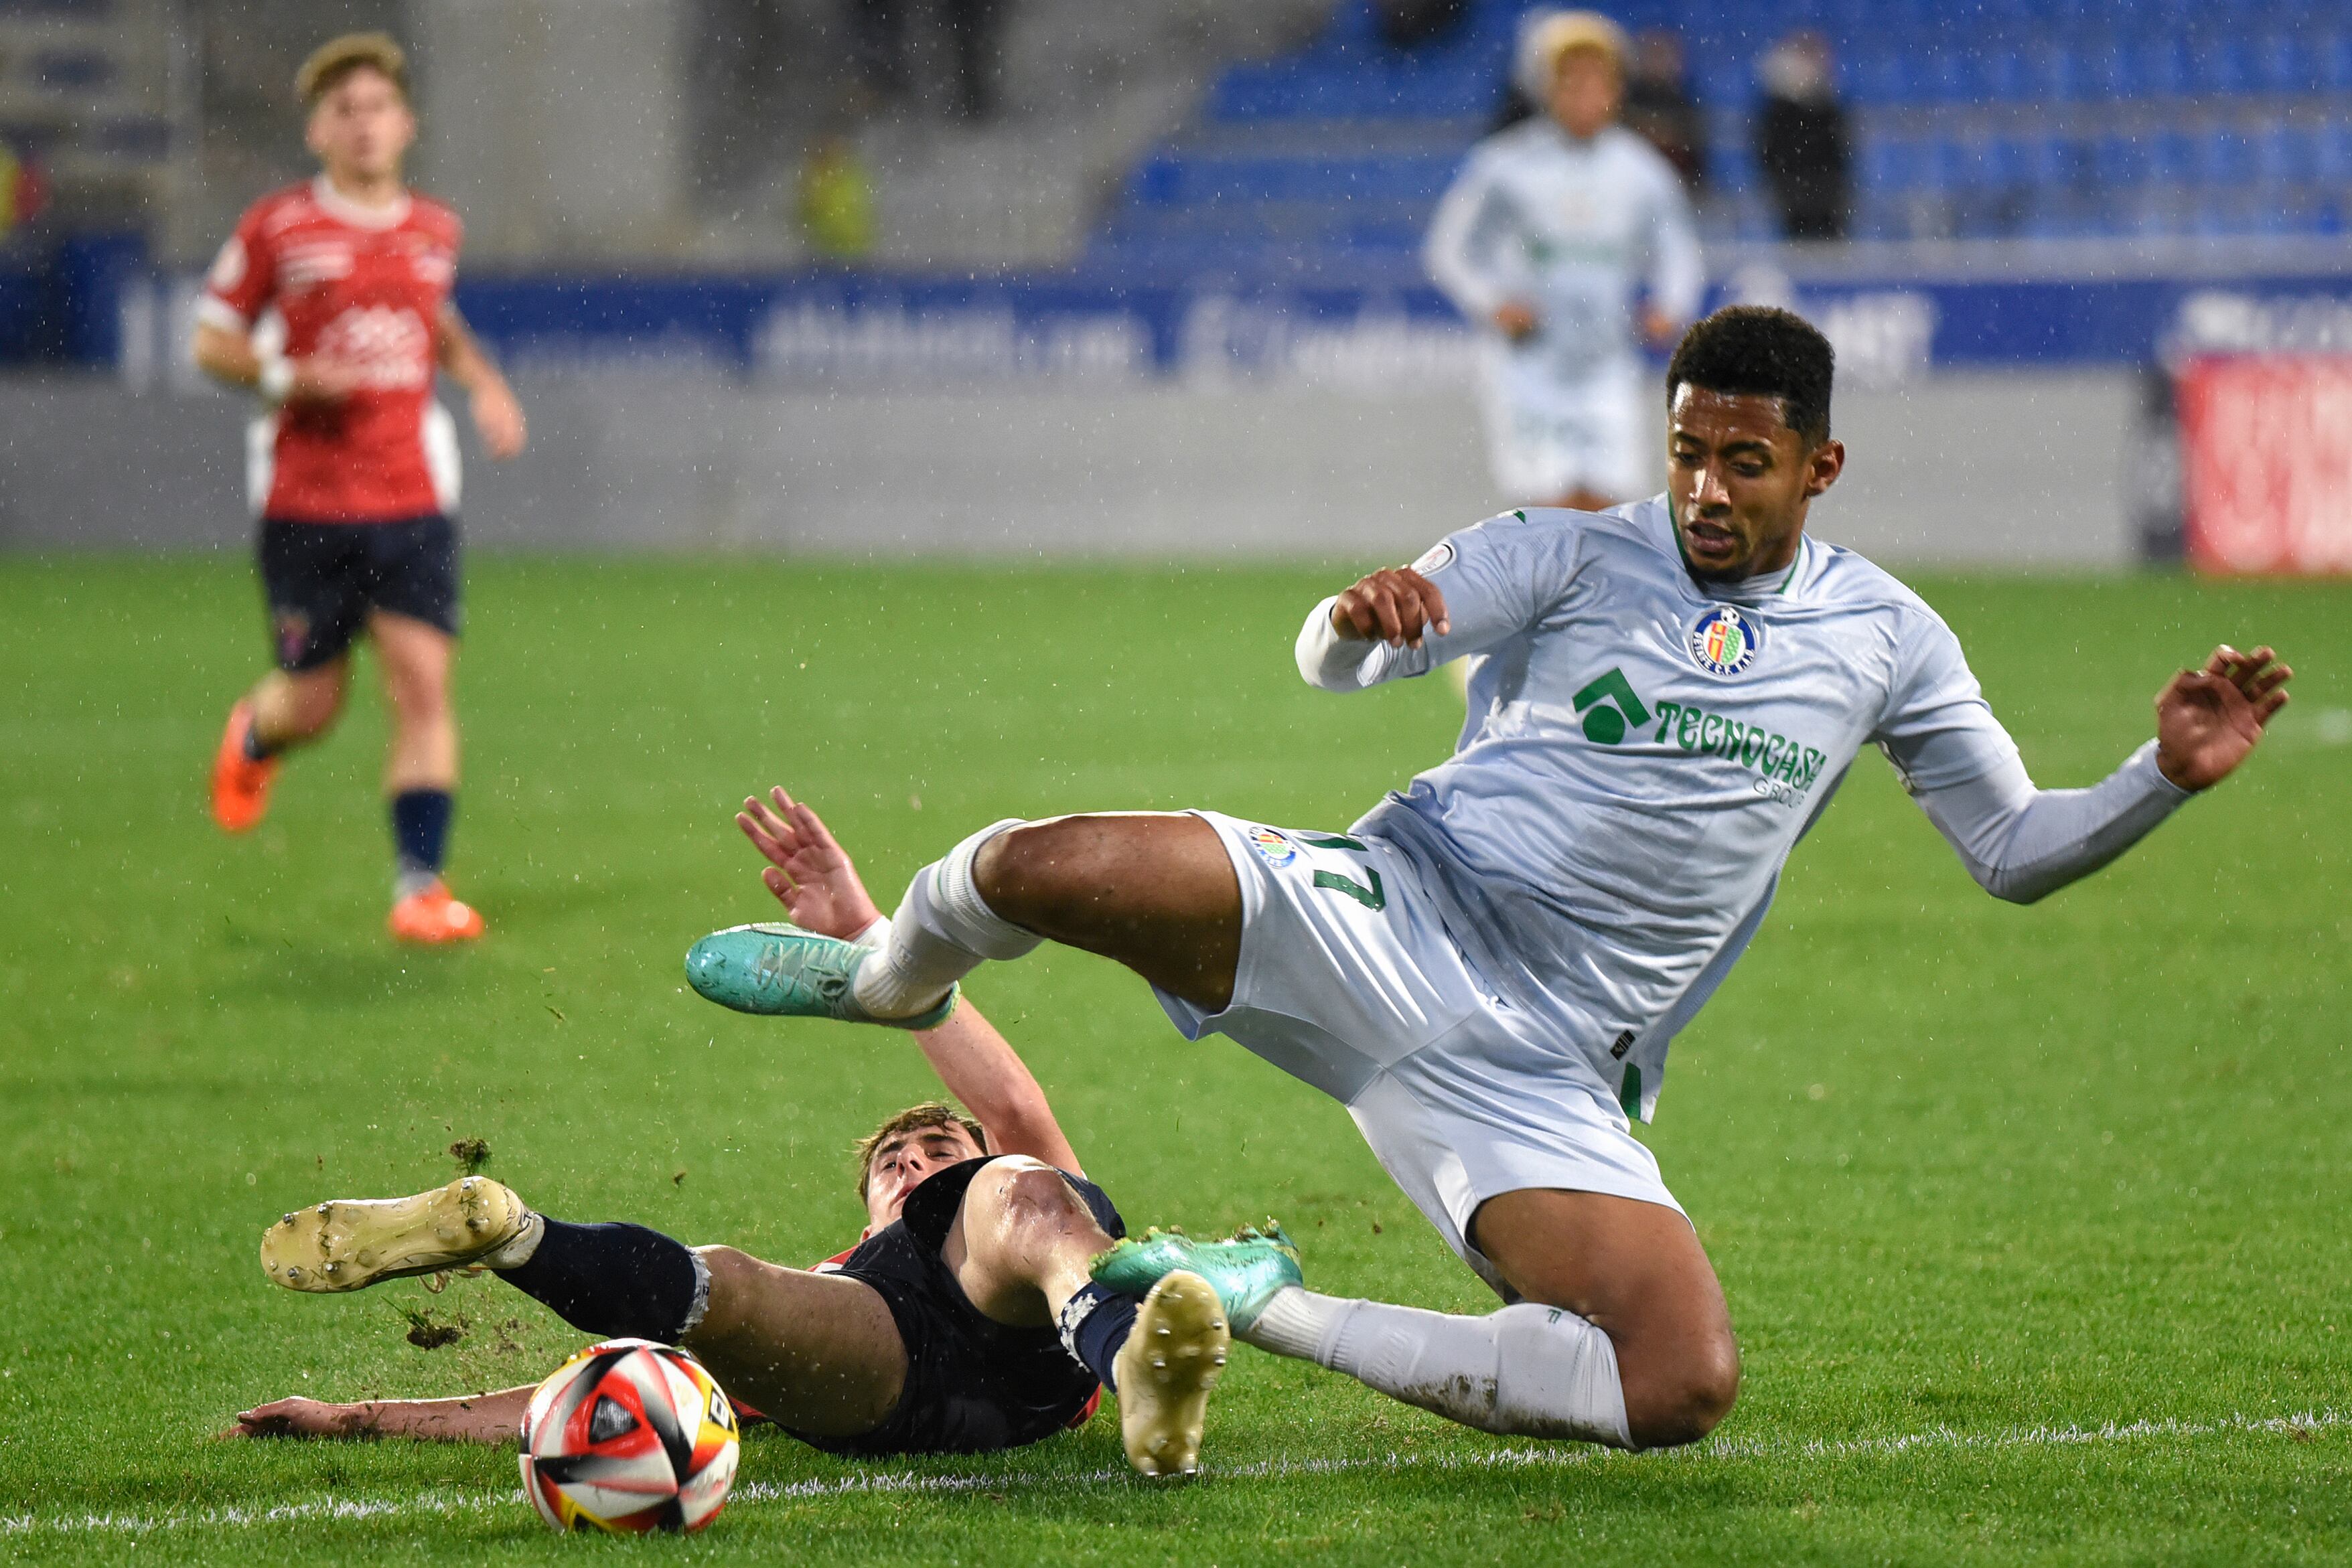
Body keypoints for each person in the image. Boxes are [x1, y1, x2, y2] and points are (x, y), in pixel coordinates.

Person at [683, 305, 2293, 1452]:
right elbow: (1331, 666)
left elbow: (2010, 850)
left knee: (1673, 1381)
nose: (1707, 493)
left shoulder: (1887, 640)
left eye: (1744, 461)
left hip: (1539, 1062)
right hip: (1391, 909)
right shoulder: (1565, 548)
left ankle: (1240, 1294)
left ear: (1820, 463)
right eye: (1685, 455)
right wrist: (1353, 620)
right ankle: (886, 973)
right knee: (1035, 863)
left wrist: (2160, 774)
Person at [230, 789, 1286, 1476]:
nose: (915, 1161)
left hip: (1018, 1300)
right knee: (720, 1291)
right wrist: (355, 1414)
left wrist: (871, 939)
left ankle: (1128, 1354)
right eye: (894, 1163)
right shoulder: (861, 1266)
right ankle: (509, 1233)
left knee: (1030, 1188)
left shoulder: (1011, 1177)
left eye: (932, 1151)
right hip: (897, 1366)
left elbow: (1005, 1124)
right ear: (871, 1206)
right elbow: (594, 1390)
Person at [196, 33, 527, 944]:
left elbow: (439, 321)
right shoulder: (279, 228)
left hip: (412, 500)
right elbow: (210, 338)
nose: (365, 124)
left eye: (378, 107)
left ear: (406, 124)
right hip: (307, 503)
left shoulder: (433, 231)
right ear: (318, 131)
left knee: (423, 691)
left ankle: (420, 885)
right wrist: (285, 375)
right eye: (346, 110)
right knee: (314, 702)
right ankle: (256, 734)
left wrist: (486, 383)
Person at [1425, 9, 1702, 515]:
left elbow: (1679, 250)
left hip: (1606, 360)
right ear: (1546, 89)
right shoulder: (1503, 165)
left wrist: (1669, 305)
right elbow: (1449, 249)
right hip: (1529, 363)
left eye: (1598, 81)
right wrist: (1493, 303)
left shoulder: (1642, 170)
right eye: (1570, 81)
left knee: (1606, 508)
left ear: (1617, 89)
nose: (1585, 95)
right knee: (1545, 511)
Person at [1756, 30, 1851, 241]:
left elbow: (1840, 148)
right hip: (1794, 192)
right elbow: (1771, 148)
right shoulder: (1780, 106)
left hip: (1826, 193)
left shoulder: (1826, 101)